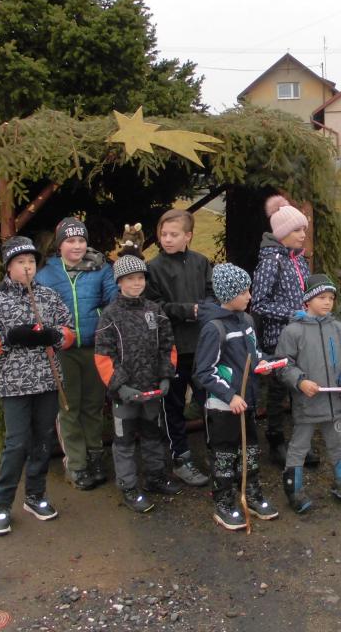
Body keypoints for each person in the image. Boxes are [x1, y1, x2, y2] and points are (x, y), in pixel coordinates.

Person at [0, 236, 74, 536]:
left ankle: (35, 495)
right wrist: (9, 336)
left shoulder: (48, 296)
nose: (27, 267)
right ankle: (2, 503)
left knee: (43, 440)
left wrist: (54, 336)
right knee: (17, 443)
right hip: (13, 385)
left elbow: (68, 332)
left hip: (47, 380)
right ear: (8, 266)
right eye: (20, 262)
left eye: (31, 262)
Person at [94, 255, 182, 515]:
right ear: (119, 282)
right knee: (124, 441)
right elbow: (103, 356)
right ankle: (129, 486)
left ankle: (155, 476)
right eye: (130, 279)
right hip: (124, 394)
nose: (136, 283)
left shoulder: (155, 311)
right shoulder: (110, 315)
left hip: (151, 389)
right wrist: (119, 386)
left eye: (140, 278)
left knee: (153, 434)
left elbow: (168, 346)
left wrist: (166, 376)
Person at [35, 217, 118, 491]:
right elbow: (36, 308)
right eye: (70, 241)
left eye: (81, 240)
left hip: (94, 347)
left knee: (93, 406)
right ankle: (77, 465)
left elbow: (113, 301)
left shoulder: (100, 269)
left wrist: (102, 322)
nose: (77, 246)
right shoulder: (45, 273)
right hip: (62, 351)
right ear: (60, 245)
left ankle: (95, 456)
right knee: (69, 408)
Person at [195, 263, 279, 530]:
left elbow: (254, 354)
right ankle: (223, 502)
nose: (249, 296)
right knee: (224, 454)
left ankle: (250, 493)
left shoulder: (247, 321)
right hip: (224, 407)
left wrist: (265, 363)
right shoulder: (214, 328)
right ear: (228, 294)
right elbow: (204, 371)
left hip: (248, 402)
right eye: (244, 292)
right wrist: (230, 395)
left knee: (249, 451)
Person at [276, 274, 341, 513]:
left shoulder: (339, 329)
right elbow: (282, 364)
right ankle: (294, 490)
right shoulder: (293, 331)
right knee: (299, 446)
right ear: (307, 300)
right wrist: (300, 381)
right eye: (322, 297)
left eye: (331, 298)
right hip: (307, 404)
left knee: (337, 443)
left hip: (335, 403)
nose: (327, 302)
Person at [145, 208, 213, 486]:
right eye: (163, 234)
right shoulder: (153, 268)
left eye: (174, 234)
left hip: (202, 347)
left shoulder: (201, 262)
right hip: (171, 348)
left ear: (188, 236)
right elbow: (154, 306)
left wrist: (205, 309)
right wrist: (187, 310)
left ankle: (217, 451)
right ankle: (181, 457)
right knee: (173, 405)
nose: (168, 239)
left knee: (209, 401)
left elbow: (212, 294)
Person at [251, 195, 312, 467]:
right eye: (297, 230)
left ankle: (299, 443)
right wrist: (290, 314)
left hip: (303, 336)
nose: (303, 234)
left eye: (303, 229)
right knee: (278, 391)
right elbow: (258, 303)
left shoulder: (299, 260)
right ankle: (276, 440)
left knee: (299, 388)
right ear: (283, 233)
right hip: (279, 340)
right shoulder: (270, 262)